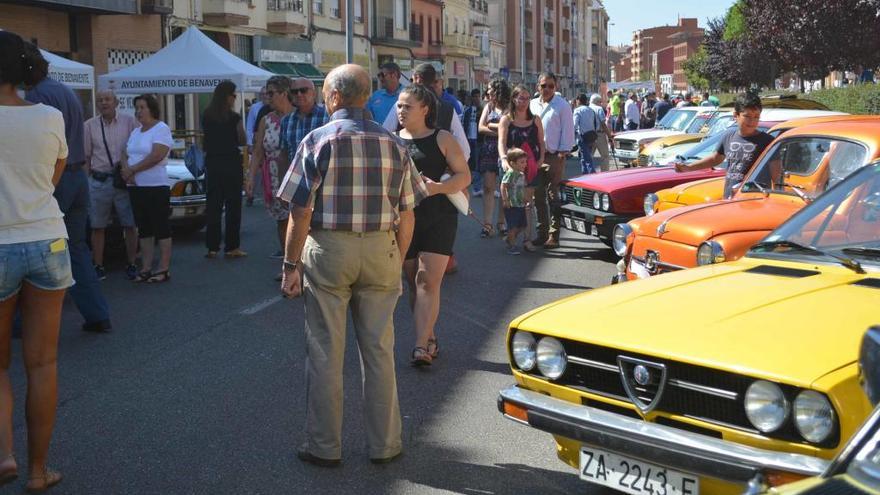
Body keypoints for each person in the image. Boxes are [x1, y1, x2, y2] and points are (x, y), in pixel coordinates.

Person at [277, 64, 427, 467]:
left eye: (326, 95)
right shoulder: (393, 143)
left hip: (329, 249)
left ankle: (324, 446)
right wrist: (396, 256)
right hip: (381, 247)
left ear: (336, 97)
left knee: (325, 350)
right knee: (379, 351)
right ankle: (385, 444)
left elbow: (299, 211)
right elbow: (409, 213)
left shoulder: (317, 140)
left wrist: (290, 265)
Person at [0, 31, 72, 494]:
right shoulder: (50, 116)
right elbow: (52, 178)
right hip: (48, 239)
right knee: (42, 364)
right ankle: (37, 471)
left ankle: (4, 453)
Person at [24, 41, 112, 333]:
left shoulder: (37, 96)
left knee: (36, 247)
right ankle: (97, 313)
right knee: (76, 247)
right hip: (77, 178)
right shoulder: (65, 91)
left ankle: (25, 321)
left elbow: (42, 145)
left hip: (57, 177)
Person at [395, 85, 470, 366]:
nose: (401, 111)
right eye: (399, 106)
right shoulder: (391, 140)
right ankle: (429, 337)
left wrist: (438, 187)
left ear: (425, 109)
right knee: (414, 283)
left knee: (427, 280)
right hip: (404, 220)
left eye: (407, 106)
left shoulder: (443, 138)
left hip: (439, 216)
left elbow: (464, 177)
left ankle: (419, 346)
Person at [674, 92, 775, 199]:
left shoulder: (767, 141)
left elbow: (776, 175)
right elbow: (715, 159)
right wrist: (688, 168)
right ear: (736, 115)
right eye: (747, 116)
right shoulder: (728, 136)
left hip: (755, 201)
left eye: (756, 117)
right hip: (729, 198)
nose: (752, 121)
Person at [83, 90, 139, 281]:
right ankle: (98, 265)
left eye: (107, 99)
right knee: (97, 227)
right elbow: (86, 158)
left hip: (123, 181)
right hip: (98, 181)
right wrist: (85, 184)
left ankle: (132, 263)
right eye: (100, 100)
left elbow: (137, 151)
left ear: (116, 102)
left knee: (130, 224)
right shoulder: (89, 126)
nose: (103, 103)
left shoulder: (130, 123)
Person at [121, 94, 175, 283]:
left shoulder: (161, 129)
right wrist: (126, 170)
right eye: (137, 108)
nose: (139, 111)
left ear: (152, 108)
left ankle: (163, 268)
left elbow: (157, 155)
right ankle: (146, 267)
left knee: (161, 226)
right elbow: (124, 152)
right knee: (144, 228)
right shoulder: (136, 132)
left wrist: (134, 169)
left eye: (142, 107)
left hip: (155, 185)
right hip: (136, 186)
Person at [248, 76, 296, 267]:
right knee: (282, 221)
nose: (267, 97)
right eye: (266, 93)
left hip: (296, 174)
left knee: (302, 220)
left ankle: (304, 265)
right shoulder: (265, 120)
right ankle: (289, 265)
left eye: (271, 93)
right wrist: (250, 177)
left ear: (284, 93)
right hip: (274, 177)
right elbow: (258, 151)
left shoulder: (297, 117)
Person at [202, 80, 247, 259]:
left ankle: (212, 247)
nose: (235, 98)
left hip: (212, 163)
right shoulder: (234, 117)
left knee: (213, 206)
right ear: (227, 96)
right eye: (234, 95)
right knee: (232, 206)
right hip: (231, 163)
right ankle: (231, 246)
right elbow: (242, 139)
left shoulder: (206, 115)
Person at [529, 72, 573, 249]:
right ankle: (542, 233)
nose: (546, 89)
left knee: (553, 196)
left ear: (556, 87)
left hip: (554, 156)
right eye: (543, 86)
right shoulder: (531, 105)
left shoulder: (562, 106)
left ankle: (554, 235)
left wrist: (563, 154)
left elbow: (567, 131)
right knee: (537, 196)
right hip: (534, 157)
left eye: (550, 86)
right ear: (537, 86)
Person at [500, 85, 545, 252]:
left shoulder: (535, 120)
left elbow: (541, 142)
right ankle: (512, 234)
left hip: (530, 166)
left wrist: (541, 159)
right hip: (512, 167)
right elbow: (501, 142)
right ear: (514, 99)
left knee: (527, 203)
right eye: (521, 98)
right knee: (512, 204)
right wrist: (504, 160)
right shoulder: (506, 119)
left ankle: (527, 239)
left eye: (527, 98)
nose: (525, 101)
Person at [478, 79, 511, 238]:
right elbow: (481, 127)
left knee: (504, 188)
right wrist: (500, 131)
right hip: (489, 149)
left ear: (498, 91)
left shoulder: (510, 107)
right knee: (488, 187)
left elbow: (511, 127)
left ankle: (501, 223)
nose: (487, 92)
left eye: (490, 89)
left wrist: (493, 125)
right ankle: (487, 224)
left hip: (505, 150)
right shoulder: (489, 106)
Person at [245, 87, 270, 207]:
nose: (265, 96)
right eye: (263, 94)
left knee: (268, 170)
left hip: (270, 144)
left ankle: (267, 194)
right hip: (257, 142)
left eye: (267, 94)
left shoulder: (275, 107)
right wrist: (249, 143)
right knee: (255, 169)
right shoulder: (255, 108)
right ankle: (251, 194)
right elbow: (250, 127)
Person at [500, 147, 529, 254]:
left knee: (522, 226)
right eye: (522, 162)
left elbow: (521, 188)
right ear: (512, 163)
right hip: (512, 205)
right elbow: (503, 186)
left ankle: (509, 238)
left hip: (520, 204)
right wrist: (505, 199)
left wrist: (525, 198)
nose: (525, 164)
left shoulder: (521, 175)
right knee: (512, 226)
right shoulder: (510, 173)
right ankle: (511, 246)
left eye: (525, 162)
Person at [461, 88, 483, 196]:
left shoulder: (482, 110)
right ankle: (474, 186)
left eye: (479, 96)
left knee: (478, 164)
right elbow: (463, 126)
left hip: (479, 140)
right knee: (472, 164)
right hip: (469, 140)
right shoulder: (467, 111)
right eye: (475, 96)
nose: (477, 99)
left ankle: (477, 186)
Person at [572, 93, 601, 174]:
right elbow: (597, 124)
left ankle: (592, 174)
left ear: (578, 100)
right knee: (584, 157)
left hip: (582, 137)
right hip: (592, 136)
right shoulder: (591, 110)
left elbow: (574, 125)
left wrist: (572, 137)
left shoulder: (577, 110)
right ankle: (584, 175)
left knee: (587, 158)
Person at [589, 94, 612, 172]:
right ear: (597, 101)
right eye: (600, 102)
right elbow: (603, 124)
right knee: (605, 156)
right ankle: (605, 173)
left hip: (589, 134)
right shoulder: (599, 109)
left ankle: (589, 172)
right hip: (599, 135)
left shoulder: (587, 108)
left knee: (589, 156)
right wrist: (609, 136)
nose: (601, 103)